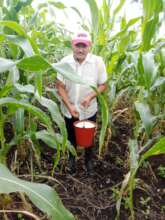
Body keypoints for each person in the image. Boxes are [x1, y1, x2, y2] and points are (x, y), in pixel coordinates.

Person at [56, 32, 107, 175]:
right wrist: (69, 105)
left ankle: (88, 162)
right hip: (69, 108)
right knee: (71, 136)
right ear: (72, 46)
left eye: (83, 46)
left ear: (89, 47)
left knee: (88, 138)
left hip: (89, 109)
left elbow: (103, 84)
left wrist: (90, 97)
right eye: (77, 46)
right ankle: (71, 160)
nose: (80, 50)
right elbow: (59, 85)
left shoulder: (97, 62)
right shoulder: (64, 62)